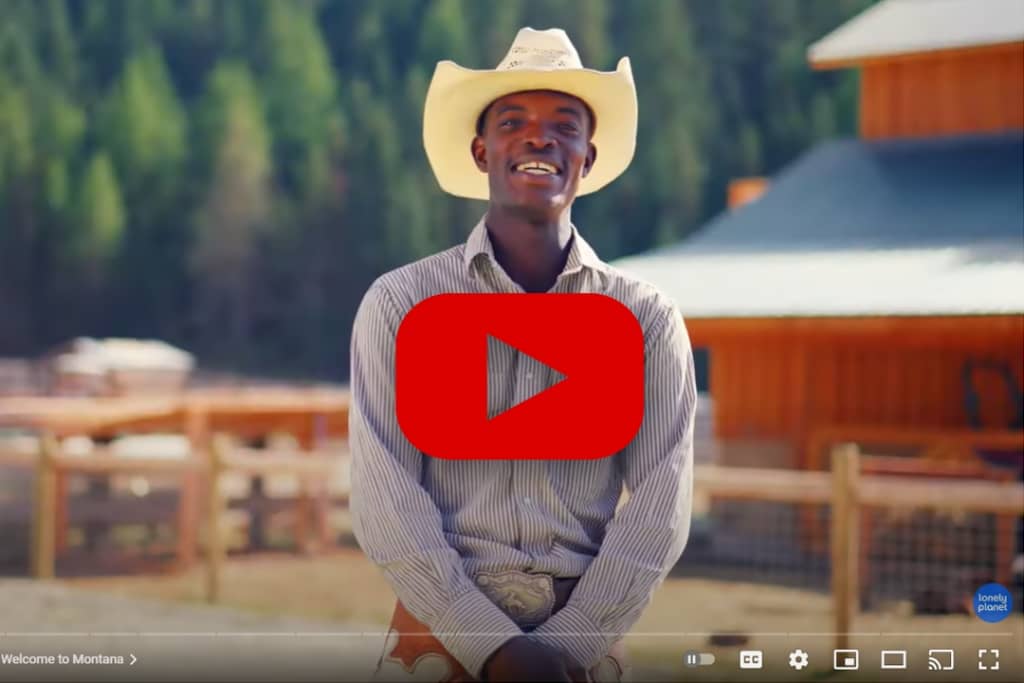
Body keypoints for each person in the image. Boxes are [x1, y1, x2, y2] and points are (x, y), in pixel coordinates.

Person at [349, 27, 697, 683]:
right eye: (514, 122)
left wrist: (568, 644)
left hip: (585, 651)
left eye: (564, 126)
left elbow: (663, 501)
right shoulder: (400, 305)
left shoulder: (646, 319)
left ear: (587, 158)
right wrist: (492, 644)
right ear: (482, 151)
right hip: (438, 637)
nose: (540, 137)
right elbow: (383, 496)